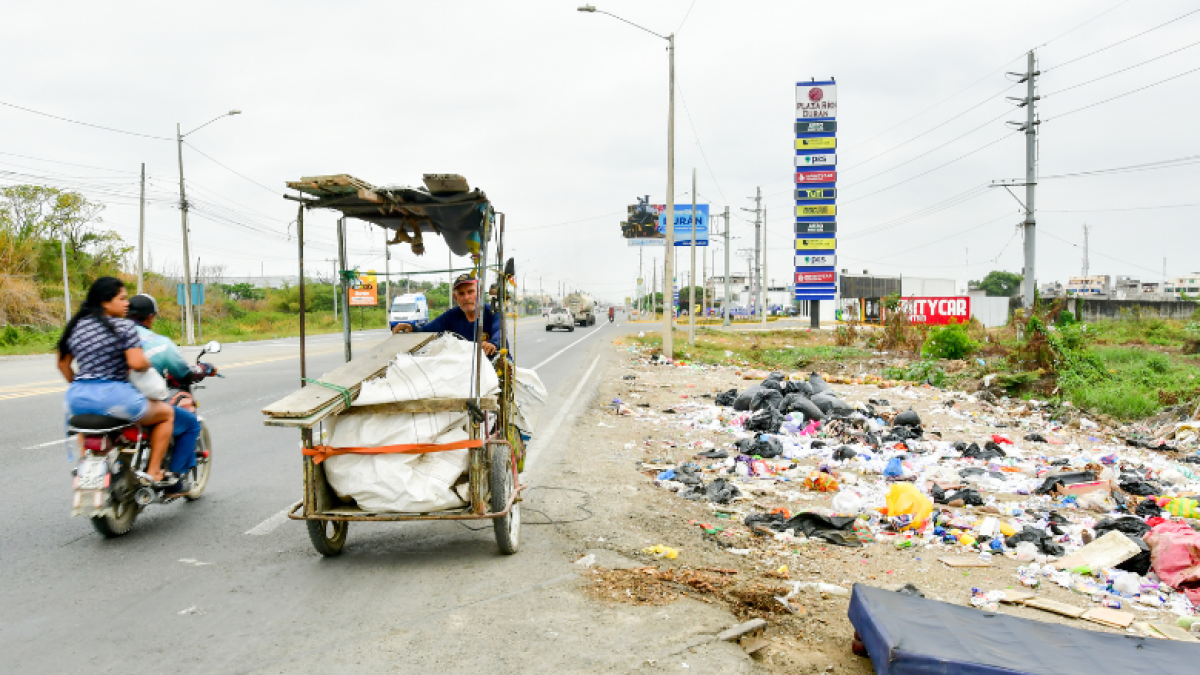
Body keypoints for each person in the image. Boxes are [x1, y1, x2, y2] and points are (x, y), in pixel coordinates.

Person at [57, 277, 175, 483]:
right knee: (166, 414)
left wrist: (82, 384)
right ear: (105, 302)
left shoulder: (76, 326)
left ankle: (87, 464)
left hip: (77, 399)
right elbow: (136, 362)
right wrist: (146, 363)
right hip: (116, 399)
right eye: (121, 298)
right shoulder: (124, 327)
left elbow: (63, 364)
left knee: (88, 425)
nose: (126, 303)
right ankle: (154, 471)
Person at [126, 294, 212, 493]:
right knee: (189, 423)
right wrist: (204, 368)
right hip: (137, 404)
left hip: (102, 404)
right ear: (150, 317)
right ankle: (173, 479)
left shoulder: (109, 336)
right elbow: (183, 372)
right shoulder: (158, 343)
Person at [392, 274, 501, 355]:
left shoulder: (493, 312)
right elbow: (427, 330)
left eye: (470, 292)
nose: (466, 297)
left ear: (479, 293)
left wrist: (493, 343)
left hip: (495, 366)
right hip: (466, 369)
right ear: (456, 298)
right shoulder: (451, 316)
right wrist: (412, 328)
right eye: (461, 294)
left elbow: (499, 331)